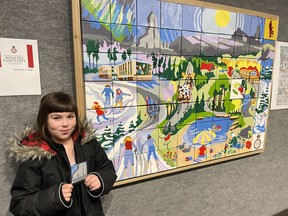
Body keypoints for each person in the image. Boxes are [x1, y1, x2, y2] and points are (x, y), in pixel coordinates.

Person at [8, 91, 117, 216]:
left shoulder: (87, 142)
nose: (65, 124)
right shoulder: (34, 154)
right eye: (57, 118)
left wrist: (101, 179)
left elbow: (107, 168)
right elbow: (19, 204)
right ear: (44, 120)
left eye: (70, 116)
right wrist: (54, 197)